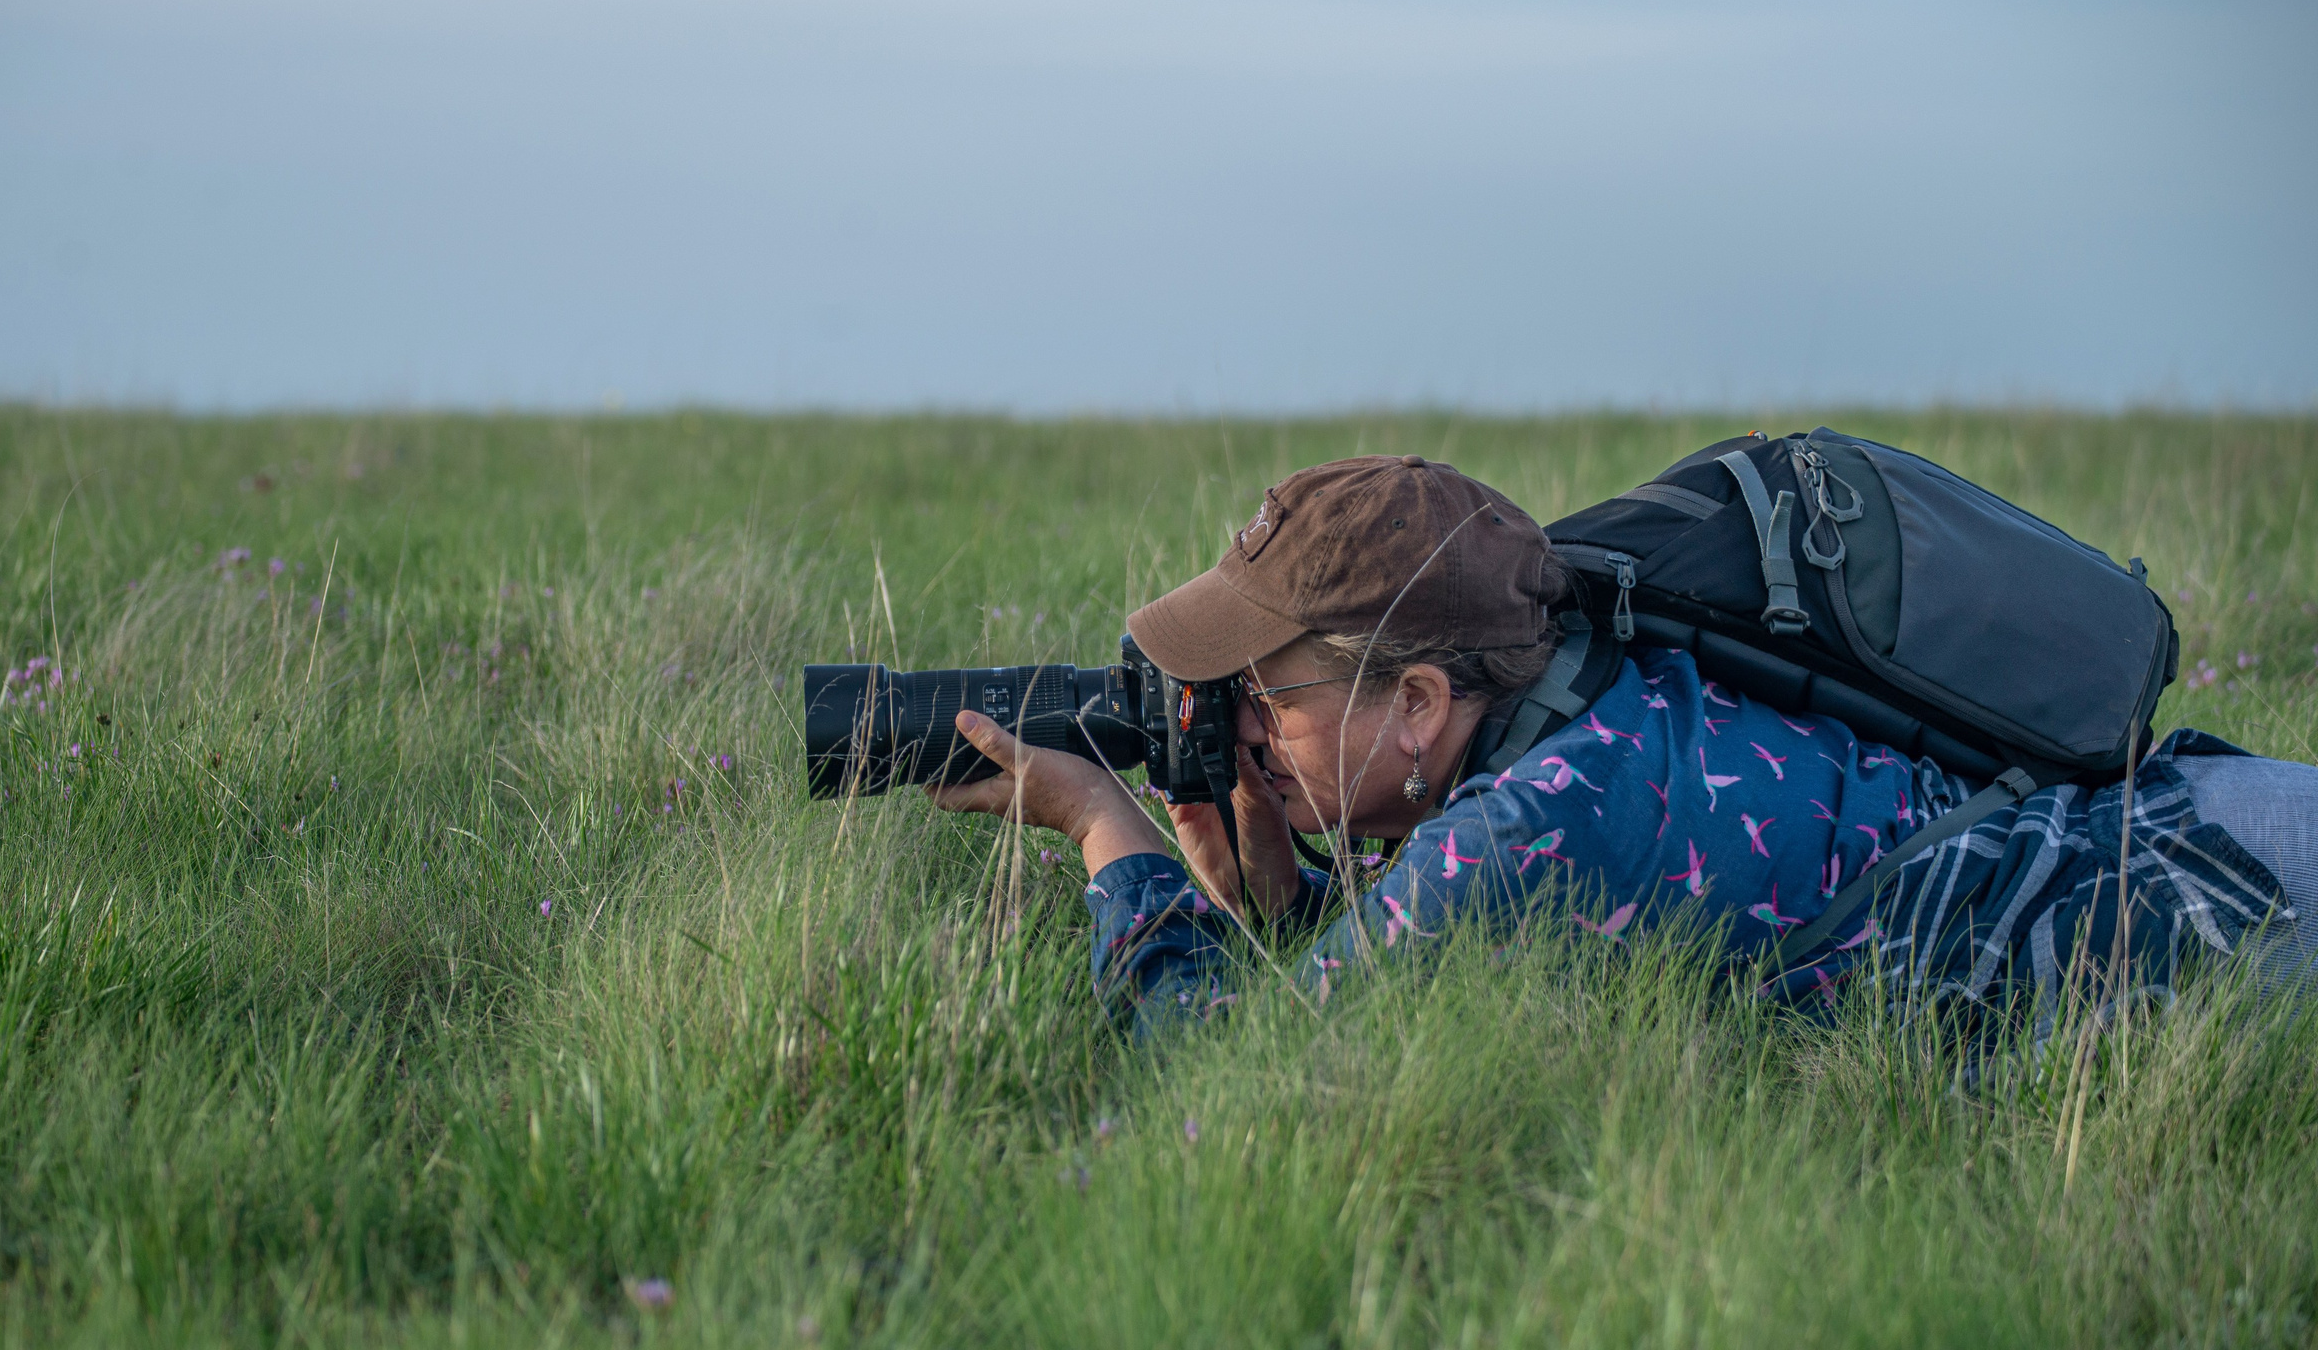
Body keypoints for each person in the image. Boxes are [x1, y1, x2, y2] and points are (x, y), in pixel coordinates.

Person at [928, 454, 2309, 1041]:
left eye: (1266, 692)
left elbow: (1212, 1080)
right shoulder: (1589, 658)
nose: (1233, 720)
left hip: (2214, 921)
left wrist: (1100, 827)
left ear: (1419, 703)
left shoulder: (1533, 824)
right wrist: (1276, 899)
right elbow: (1373, 1004)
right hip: (2202, 822)